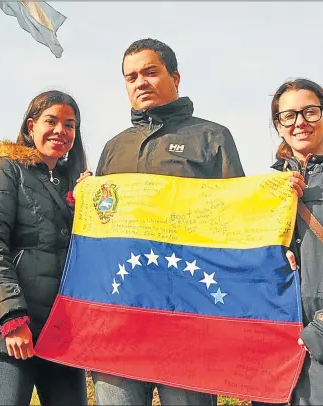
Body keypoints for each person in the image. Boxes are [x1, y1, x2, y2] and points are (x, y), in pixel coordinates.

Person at [91, 37, 247, 406]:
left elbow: (240, 221)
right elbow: (99, 227)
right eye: (131, 77)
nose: (140, 82)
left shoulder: (212, 137)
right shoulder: (114, 147)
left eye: (150, 71)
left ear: (175, 76)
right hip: (121, 318)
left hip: (188, 317)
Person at [0, 90, 89, 405]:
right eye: (51, 121)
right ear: (31, 126)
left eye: (69, 124)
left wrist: (87, 204)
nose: (60, 131)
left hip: (62, 332)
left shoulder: (73, 184)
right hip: (13, 329)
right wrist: (13, 318)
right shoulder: (5, 170)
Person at [269, 78, 323, 405]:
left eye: (309, 112)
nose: (299, 123)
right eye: (289, 115)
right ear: (278, 125)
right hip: (275, 359)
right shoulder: (263, 188)